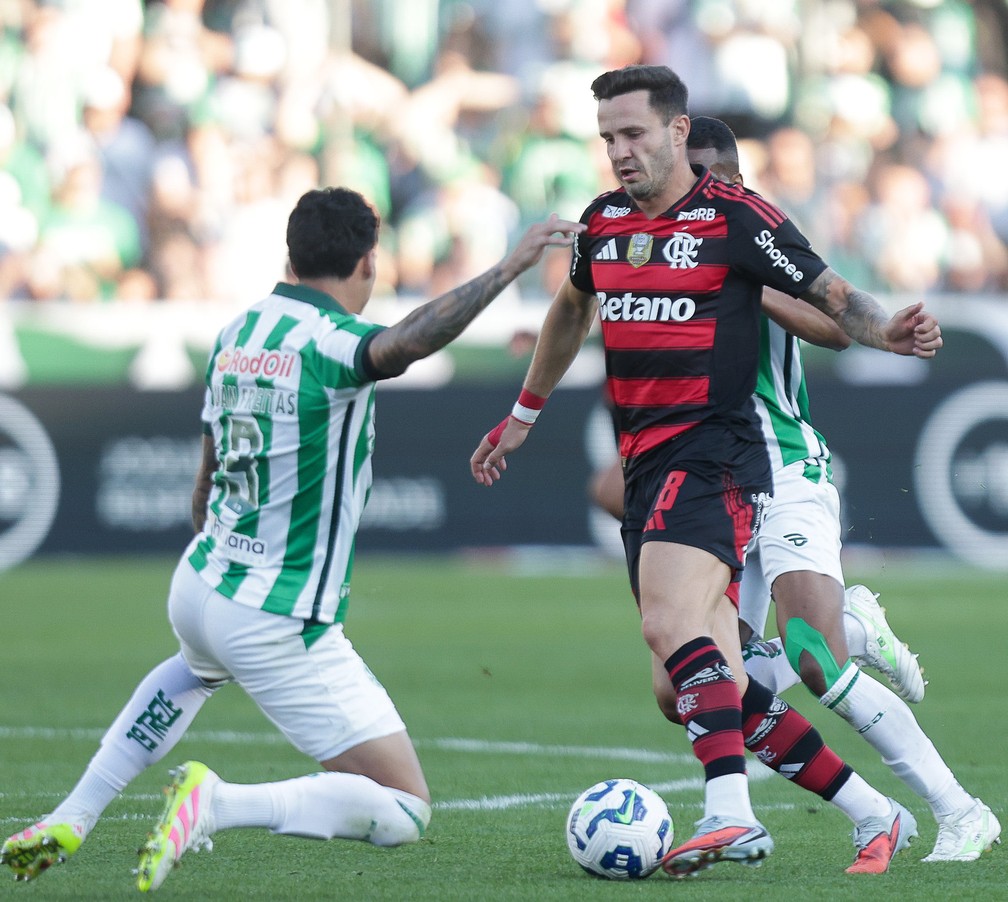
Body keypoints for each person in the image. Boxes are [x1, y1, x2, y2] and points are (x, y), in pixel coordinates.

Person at [0, 187, 584, 891]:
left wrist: (223, 560)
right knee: (404, 808)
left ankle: (74, 813)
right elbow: (406, 342)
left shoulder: (239, 332)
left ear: (291, 251)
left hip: (202, 580)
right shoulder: (332, 343)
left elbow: (204, 479)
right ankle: (218, 803)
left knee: (192, 670)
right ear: (369, 262)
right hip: (277, 614)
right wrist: (508, 267)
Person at [470, 65, 943, 877]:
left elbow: (834, 295)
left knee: (668, 624)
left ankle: (730, 812)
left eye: (634, 135)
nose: (620, 153)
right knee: (683, 686)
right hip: (646, 466)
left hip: (718, 456)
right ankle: (876, 811)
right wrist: (523, 415)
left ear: (678, 131)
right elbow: (572, 310)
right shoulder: (602, 225)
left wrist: (884, 331)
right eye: (608, 138)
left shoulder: (736, 217)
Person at [591, 114, 1001, 865]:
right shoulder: (656, 243)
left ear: (735, 180)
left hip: (780, 466)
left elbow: (836, 325)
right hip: (706, 474)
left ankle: (962, 811)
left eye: (708, 179)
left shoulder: (757, 237)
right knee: (683, 684)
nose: (694, 194)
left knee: (816, 658)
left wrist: (732, 282)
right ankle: (868, 771)